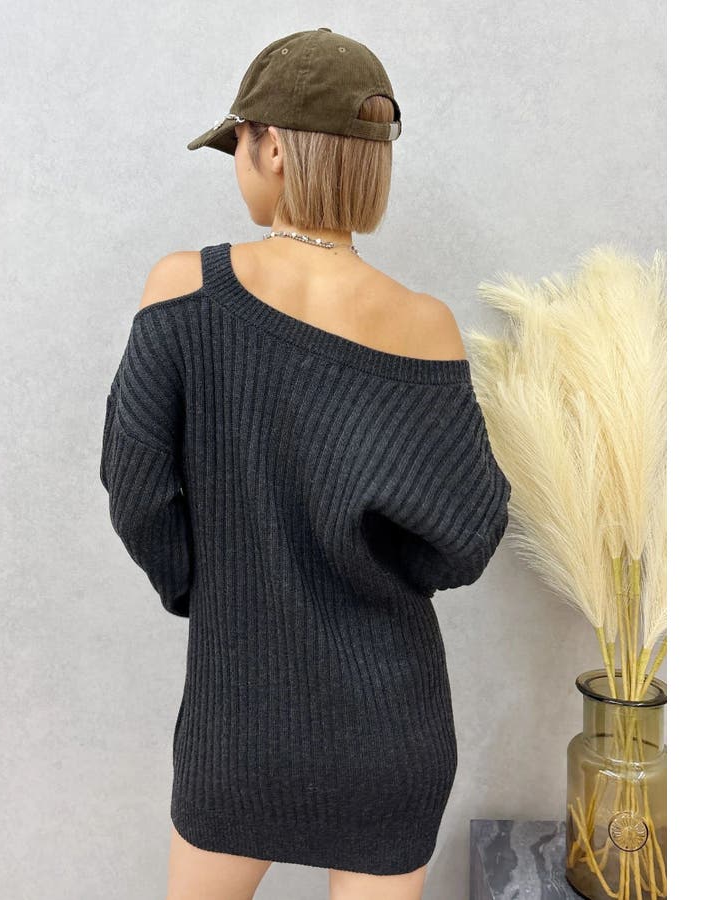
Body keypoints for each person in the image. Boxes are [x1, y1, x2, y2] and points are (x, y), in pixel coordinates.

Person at [99, 27, 511, 900]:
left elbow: (136, 493)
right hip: (392, 731)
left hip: (239, 721)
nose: (237, 164)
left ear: (275, 148)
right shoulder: (427, 325)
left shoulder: (184, 288)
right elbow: (468, 538)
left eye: (238, 144)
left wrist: (215, 588)